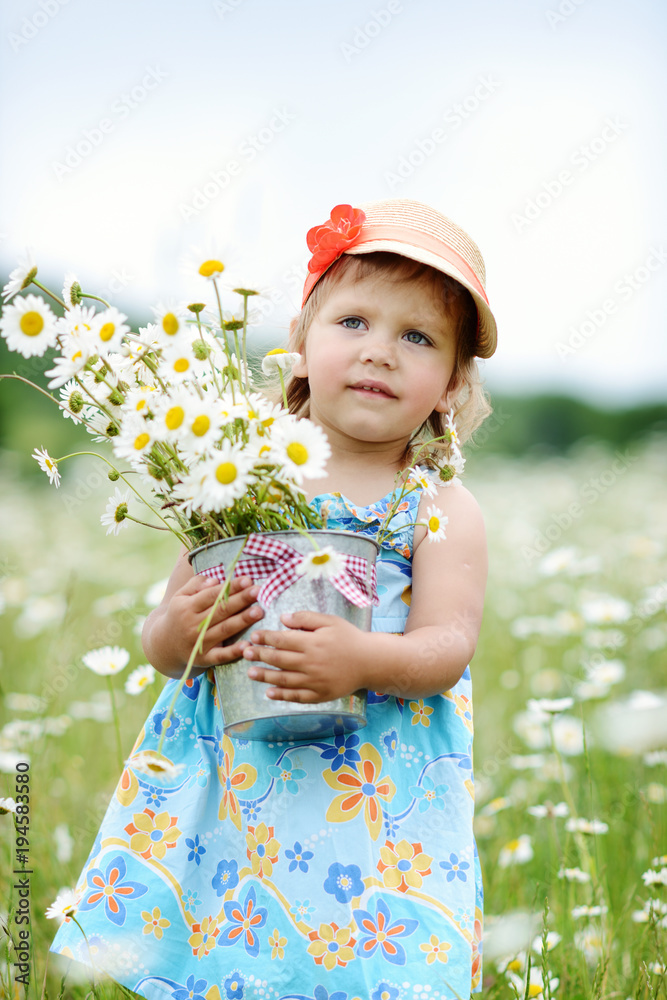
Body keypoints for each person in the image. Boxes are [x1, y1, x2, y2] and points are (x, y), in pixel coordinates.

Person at [51, 198, 497, 1000]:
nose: (381, 353)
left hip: (372, 795)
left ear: (450, 386)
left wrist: (363, 657)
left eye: (417, 337)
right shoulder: (239, 480)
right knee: (234, 949)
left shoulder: (437, 506)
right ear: (298, 346)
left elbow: (446, 646)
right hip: (235, 780)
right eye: (353, 322)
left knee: (364, 959)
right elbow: (164, 636)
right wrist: (179, 629)